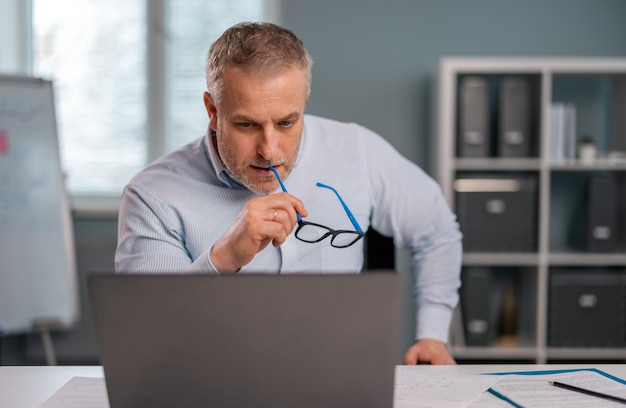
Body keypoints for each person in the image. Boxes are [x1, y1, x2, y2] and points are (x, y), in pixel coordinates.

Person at [115, 21, 462, 365]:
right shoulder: (153, 195)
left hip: (338, 378)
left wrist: (432, 336)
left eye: (286, 123)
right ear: (212, 110)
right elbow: (148, 339)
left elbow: (436, 230)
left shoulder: (356, 151)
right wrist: (223, 259)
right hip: (214, 382)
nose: (269, 150)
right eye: (247, 125)